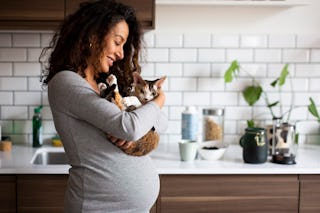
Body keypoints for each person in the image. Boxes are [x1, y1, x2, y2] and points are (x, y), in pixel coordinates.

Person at [40, 0, 168, 212]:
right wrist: (159, 101)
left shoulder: (109, 82)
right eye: (117, 42)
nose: (121, 54)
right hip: (96, 207)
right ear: (92, 36)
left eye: (124, 46)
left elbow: (162, 123)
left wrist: (146, 123)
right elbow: (128, 127)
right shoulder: (65, 82)